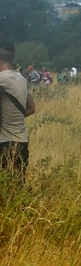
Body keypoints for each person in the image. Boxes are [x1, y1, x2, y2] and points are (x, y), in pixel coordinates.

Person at [0, 42, 36, 183]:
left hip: (3, 144)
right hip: (21, 143)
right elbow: (32, 108)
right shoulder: (22, 79)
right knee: (18, 187)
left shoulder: (1, 80)